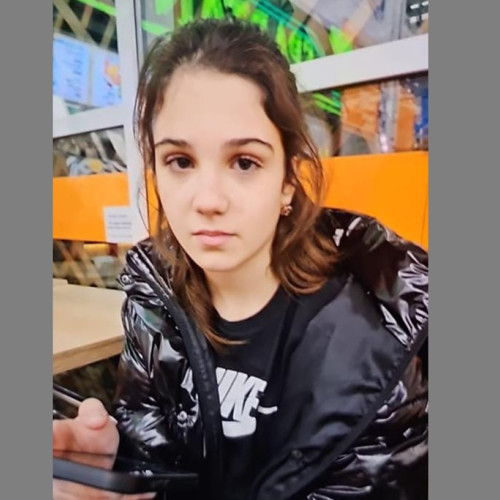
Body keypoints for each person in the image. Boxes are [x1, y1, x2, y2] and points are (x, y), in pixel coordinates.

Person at [53, 18, 428, 500]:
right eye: (180, 162)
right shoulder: (154, 299)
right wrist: (121, 461)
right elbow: (154, 449)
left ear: (288, 181)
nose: (208, 200)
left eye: (245, 162)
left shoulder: (381, 341)